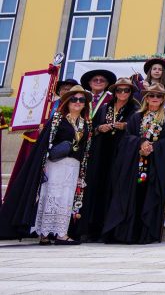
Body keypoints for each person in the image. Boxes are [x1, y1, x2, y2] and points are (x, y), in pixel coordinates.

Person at [0, 85, 94, 244]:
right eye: (74, 99)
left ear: (85, 104)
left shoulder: (86, 123)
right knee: (50, 195)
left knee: (66, 197)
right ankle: (44, 233)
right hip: (55, 163)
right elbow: (45, 142)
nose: (77, 102)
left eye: (81, 100)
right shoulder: (57, 119)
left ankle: (61, 233)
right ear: (67, 102)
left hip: (73, 165)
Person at [102, 84, 165, 244]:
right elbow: (128, 137)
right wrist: (141, 144)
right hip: (135, 164)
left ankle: (145, 233)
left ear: (163, 99)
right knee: (132, 196)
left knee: (149, 196)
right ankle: (128, 233)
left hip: (155, 164)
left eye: (158, 96)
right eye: (151, 96)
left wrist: (153, 147)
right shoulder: (136, 117)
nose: (154, 98)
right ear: (146, 98)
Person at [80, 77, 138, 241]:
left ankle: (112, 230)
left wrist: (126, 125)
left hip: (122, 152)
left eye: (126, 90)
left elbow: (138, 128)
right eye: (119, 90)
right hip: (102, 152)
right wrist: (100, 127)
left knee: (115, 188)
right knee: (98, 188)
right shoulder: (105, 107)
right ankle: (94, 229)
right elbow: (91, 128)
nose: (122, 93)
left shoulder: (135, 108)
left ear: (131, 92)